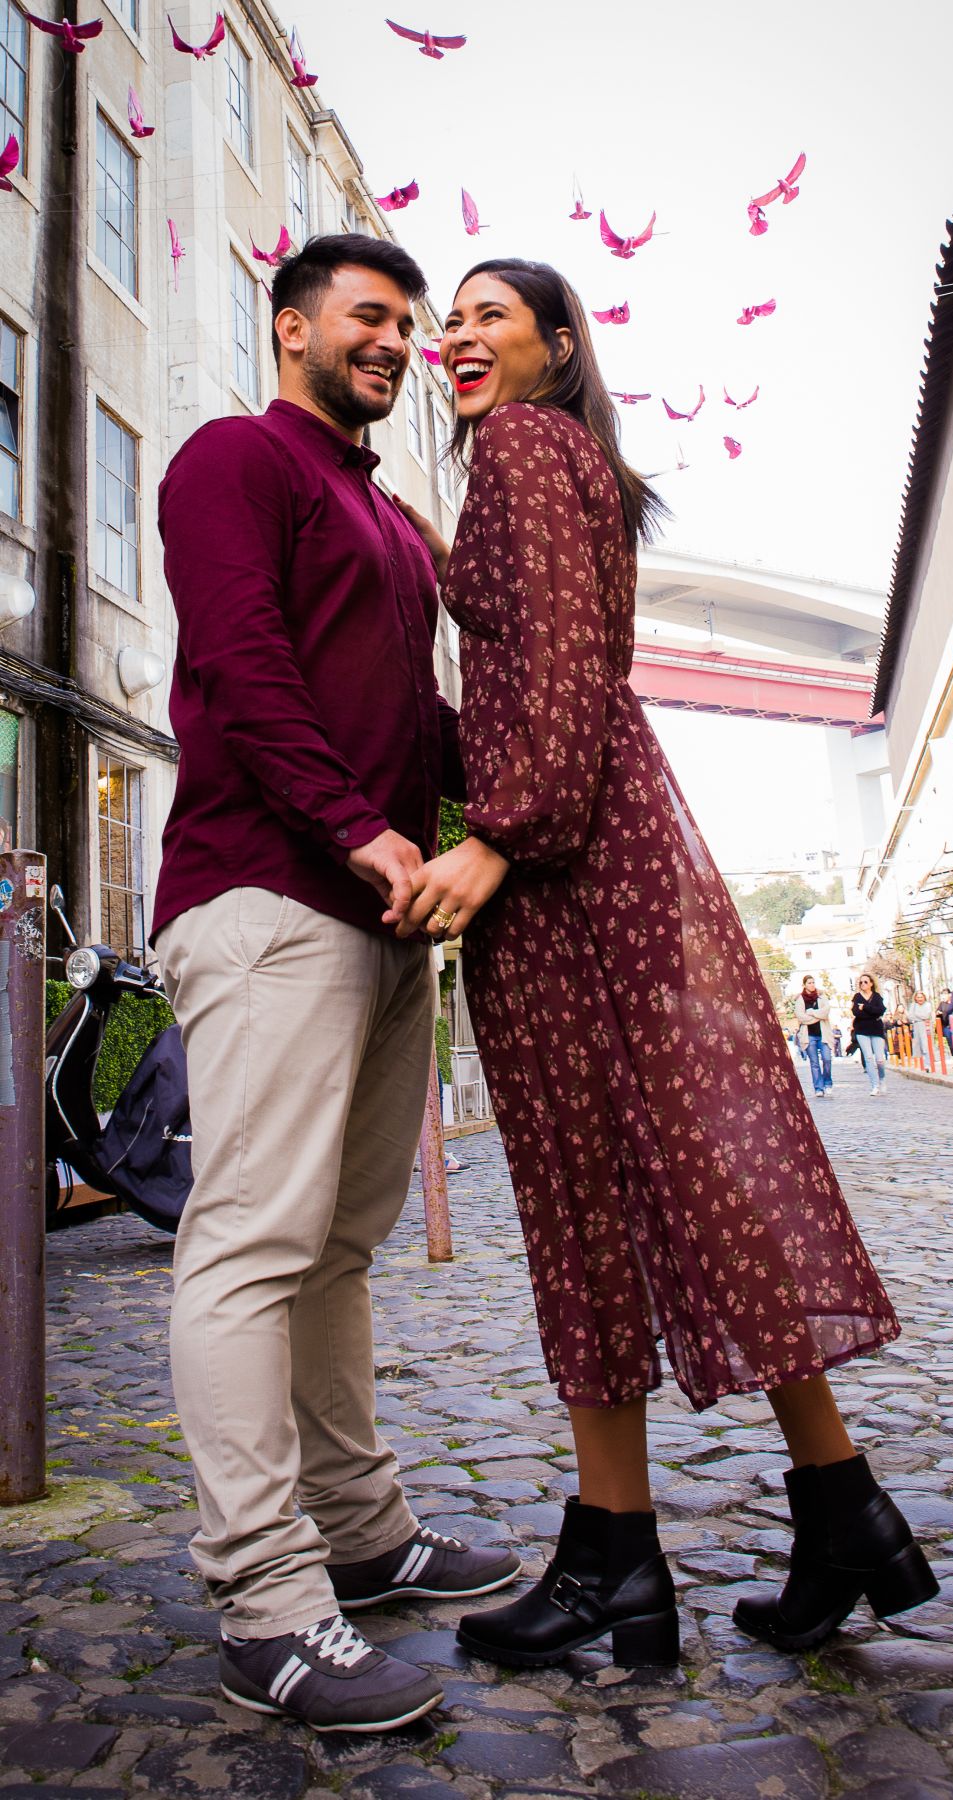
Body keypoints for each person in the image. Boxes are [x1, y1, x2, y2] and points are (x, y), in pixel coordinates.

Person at [393, 259, 937, 1670]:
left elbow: (564, 668)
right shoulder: (570, 461)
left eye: (487, 317)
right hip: (607, 844)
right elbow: (557, 672)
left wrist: (497, 843)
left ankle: (616, 1560)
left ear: (558, 344)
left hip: (567, 868)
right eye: (448, 321)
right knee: (688, 1171)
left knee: (583, 1191)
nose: (457, 337)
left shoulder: (518, 446)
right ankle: (840, 1507)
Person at [152, 236, 520, 1736]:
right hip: (263, 896)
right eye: (367, 317)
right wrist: (367, 835)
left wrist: (511, 812)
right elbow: (245, 665)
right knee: (252, 1245)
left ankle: (364, 1541)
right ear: (291, 324)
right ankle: (267, 1607)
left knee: (342, 1248)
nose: (393, 342)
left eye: (406, 326)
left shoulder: (392, 519)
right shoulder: (234, 460)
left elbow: (417, 722)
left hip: (380, 921)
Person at [795, 974, 833, 1098]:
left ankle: (827, 1083)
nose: (812, 985)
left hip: (823, 1035)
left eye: (813, 982)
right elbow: (801, 1017)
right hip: (809, 1035)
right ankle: (818, 1088)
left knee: (827, 1059)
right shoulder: (800, 999)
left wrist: (812, 1013)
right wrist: (817, 1017)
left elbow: (825, 1012)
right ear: (804, 985)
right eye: (809, 983)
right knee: (814, 1063)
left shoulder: (821, 996)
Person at [851, 974, 889, 1095]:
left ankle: (882, 1079)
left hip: (876, 1029)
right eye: (861, 982)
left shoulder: (877, 996)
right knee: (868, 1057)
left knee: (880, 1059)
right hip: (862, 1029)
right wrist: (871, 1012)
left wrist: (865, 1007)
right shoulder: (857, 997)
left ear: (871, 983)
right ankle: (875, 1085)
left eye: (865, 982)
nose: (863, 984)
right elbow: (856, 1012)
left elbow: (881, 1010)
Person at [910, 991, 934, 1066]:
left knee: (926, 1044)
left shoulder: (928, 1005)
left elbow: (926, 1015)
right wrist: (919, 1017)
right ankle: (923, 1063)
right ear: (915, 998)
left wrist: (916, 1015)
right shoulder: (913, 1005)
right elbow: (910, 1016)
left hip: (925, 1026)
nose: (920, 999)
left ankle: (928, 1063)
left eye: (921, 997)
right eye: (918, 997)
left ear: (924, 997)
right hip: (917, 1026)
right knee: (918, 1045)